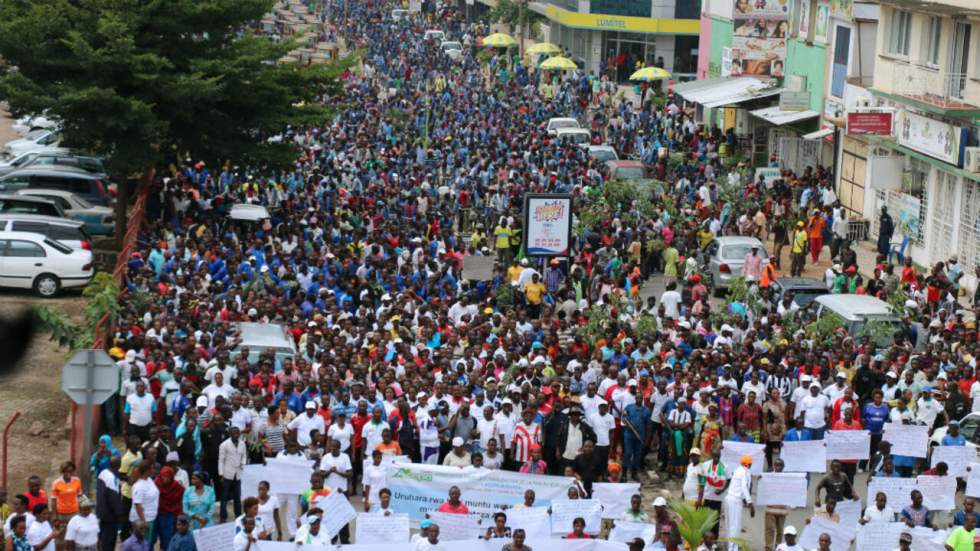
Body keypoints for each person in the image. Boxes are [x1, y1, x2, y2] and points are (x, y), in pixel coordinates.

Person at [724, 455, 754, 551]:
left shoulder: (737, 470)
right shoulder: (745, 472)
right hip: (735, 501)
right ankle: (733, 548)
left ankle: (730, 547)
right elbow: (744, 487)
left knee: (729, 526)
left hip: (728, 499)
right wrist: (750, 503)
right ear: (750, 464)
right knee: (735, 527)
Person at [218, 426, 246, 522]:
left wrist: (243, 463)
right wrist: (221, 474)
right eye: (234, 433)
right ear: (230, 434)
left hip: (238, 474)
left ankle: (238, 517)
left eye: (237, 433)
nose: (236, 435)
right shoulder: (224, 445)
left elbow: (244, 456)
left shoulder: (242, 444)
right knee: (224, 497)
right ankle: (223, 516)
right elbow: (221, 460)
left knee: (237, 497)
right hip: (227, 473)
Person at [129, 462, 160, 545]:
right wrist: (144, 521)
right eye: (151, 468)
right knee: (140, 545)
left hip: (150, 518)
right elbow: (137, 505)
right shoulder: (139, 486)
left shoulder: (149, 480)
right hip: (142, 521)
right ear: (147, 471)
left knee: (146, 544)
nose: (153, 470)